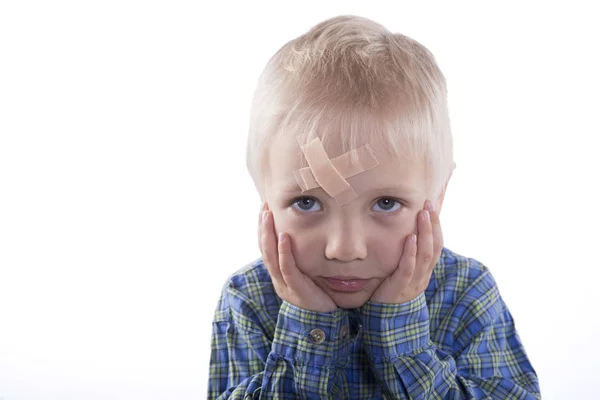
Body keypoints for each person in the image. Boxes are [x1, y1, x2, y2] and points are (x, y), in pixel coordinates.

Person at [208, 15, 540, 399]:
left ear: (438, 197)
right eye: (306, 202)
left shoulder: (467, 293)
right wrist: (308, 324)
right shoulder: (248, 299)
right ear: (264, 198)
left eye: (385, 203)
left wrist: (400, 333)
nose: (345, 249)